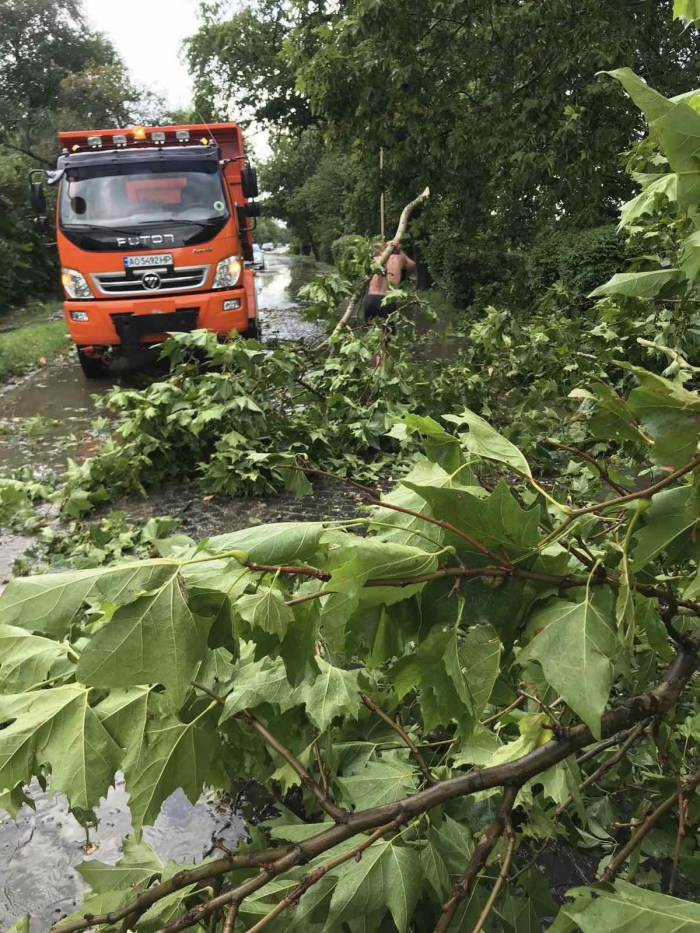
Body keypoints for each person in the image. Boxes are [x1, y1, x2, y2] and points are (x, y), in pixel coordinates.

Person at [363, 238, 417, 327]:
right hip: (387, 299)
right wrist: (400, 251)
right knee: (388, 335)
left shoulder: (372, 261)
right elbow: (412, 266)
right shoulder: (398, 258)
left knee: (370, 333)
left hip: (370, 299)